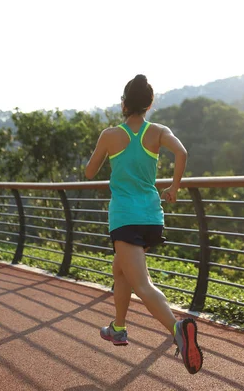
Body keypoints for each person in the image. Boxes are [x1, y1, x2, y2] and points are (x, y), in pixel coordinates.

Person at [85, 74, 203, 375]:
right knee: (120, 269)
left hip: (125, 218)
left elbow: (89, 172)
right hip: (152, 217)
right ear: (149, 104)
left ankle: (177, 328)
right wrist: (174, 188)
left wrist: (108, 155)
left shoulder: (110, 135)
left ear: (124, 103)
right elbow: (182, 152)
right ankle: (119, 328)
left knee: (142, 283)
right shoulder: (159, 131)